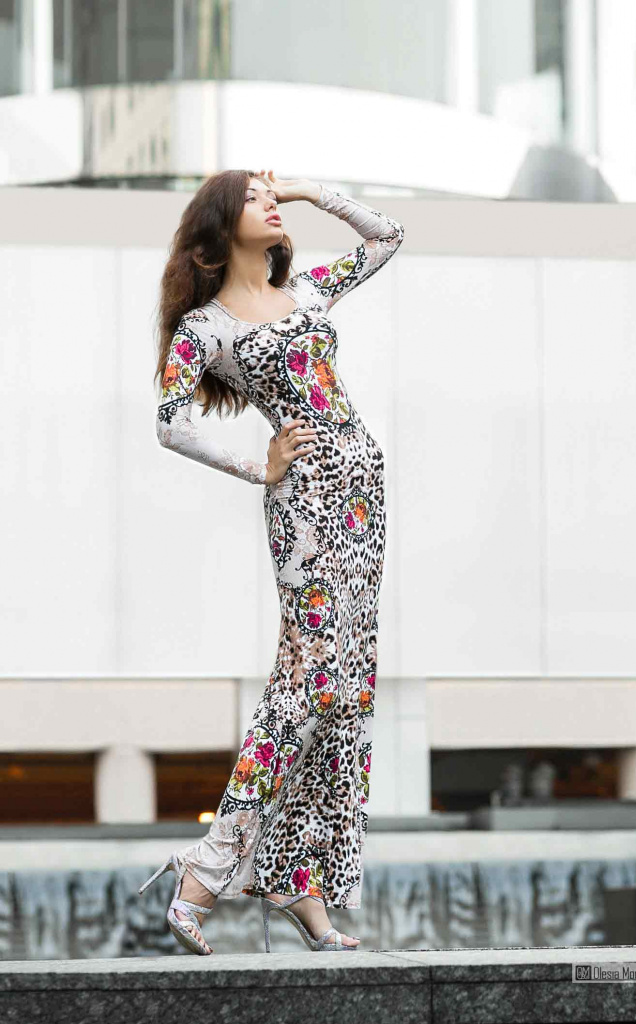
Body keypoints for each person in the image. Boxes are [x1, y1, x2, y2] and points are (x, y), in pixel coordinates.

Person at [139, 168, 404, 954]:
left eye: (270, 194)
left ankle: (297, 878)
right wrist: (260, 466)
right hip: (305, 503)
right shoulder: (206, 328)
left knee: (347, 690)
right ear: (222, 224)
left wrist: (312, 191)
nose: (270, 203)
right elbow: (170, 422)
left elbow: (387, 237)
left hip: (362, 492)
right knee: (311, 681)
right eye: (254, 197)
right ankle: (208, 866)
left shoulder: (309, 293)